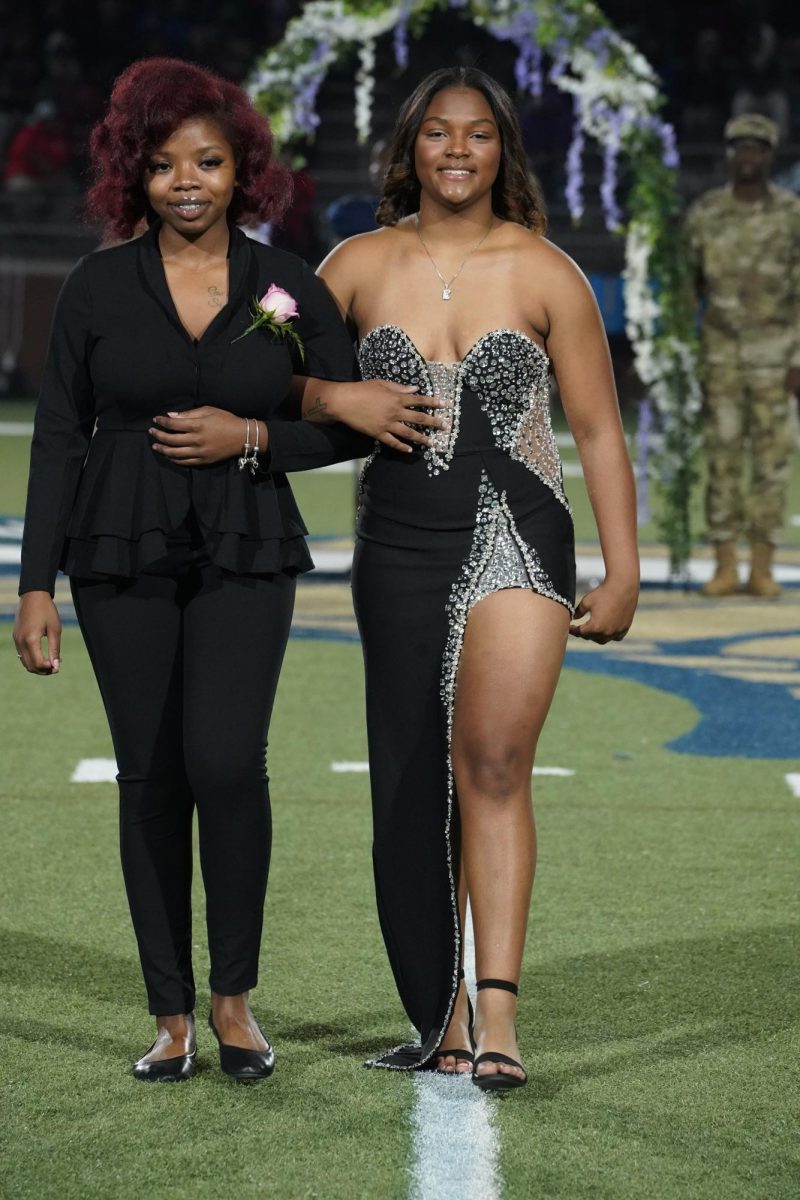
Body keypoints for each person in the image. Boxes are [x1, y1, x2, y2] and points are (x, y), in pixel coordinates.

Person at [149, 67, 639, 1092]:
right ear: (408, 148)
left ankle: (497, 1013)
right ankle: (442, 1016)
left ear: (501, 150)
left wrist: (622, 567)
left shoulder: (549, 271)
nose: (457, 152)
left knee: (495, 765)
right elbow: (256, 346)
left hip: (520, 533)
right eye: (437, 135)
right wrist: (332, 391)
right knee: (413, 783)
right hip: (399, 544)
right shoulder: (349, 264)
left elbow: (595, 428)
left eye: (477, 136)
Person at [11, 57, 400, 1084]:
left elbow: (357, 419)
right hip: (115, 549)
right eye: (163, 163)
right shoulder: (97, 285)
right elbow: (57, 437)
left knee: (226, 763)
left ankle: (234, 1000)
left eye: (208, 162)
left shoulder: (285, 284)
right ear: (132, 175)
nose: (186, 181)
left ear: (243, 171)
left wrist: (256, 437)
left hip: (246, 543)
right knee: (150, 778)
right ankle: (171, 1015)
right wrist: (35, 585)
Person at [684, 113, 800, 598]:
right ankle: (726, 563)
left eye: (757, 148)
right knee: (724, 460)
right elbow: (687, 290)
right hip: (721, 357)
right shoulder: (705, 213)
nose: (748, 157)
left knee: (772, 462)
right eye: (740, 148)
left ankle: (763, 565)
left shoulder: (792, 214)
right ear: (730, 156)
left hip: (778, 357)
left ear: (770, 156)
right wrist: (686, 354)